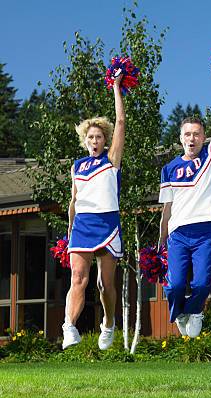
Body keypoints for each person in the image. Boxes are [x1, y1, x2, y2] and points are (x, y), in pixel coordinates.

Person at [158, 63, 211, 337]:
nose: (192, 138)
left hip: (204, 231)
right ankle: (179, 311)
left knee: (201, 285)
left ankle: (195, 310)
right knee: (175, 286)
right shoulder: (169, 169)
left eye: (197, 134)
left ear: (205, 137)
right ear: (180, 138)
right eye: (187, 134)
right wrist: (161, 237)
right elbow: (167, 207)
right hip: (177, 234)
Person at [63, 73, 125, 350]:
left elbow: (121, 121)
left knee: (104, 285)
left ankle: (109, 323)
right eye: (91, 137)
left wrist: (115, 87)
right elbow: (74, 200)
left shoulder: (112, 160)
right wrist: (70, 224)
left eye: (99, 137)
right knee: (78, 278)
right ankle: (69, 327)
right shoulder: (77, 166)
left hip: (108, 224)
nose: (95, 141)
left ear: (105, 140)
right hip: (82, 226)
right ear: (85, 140)